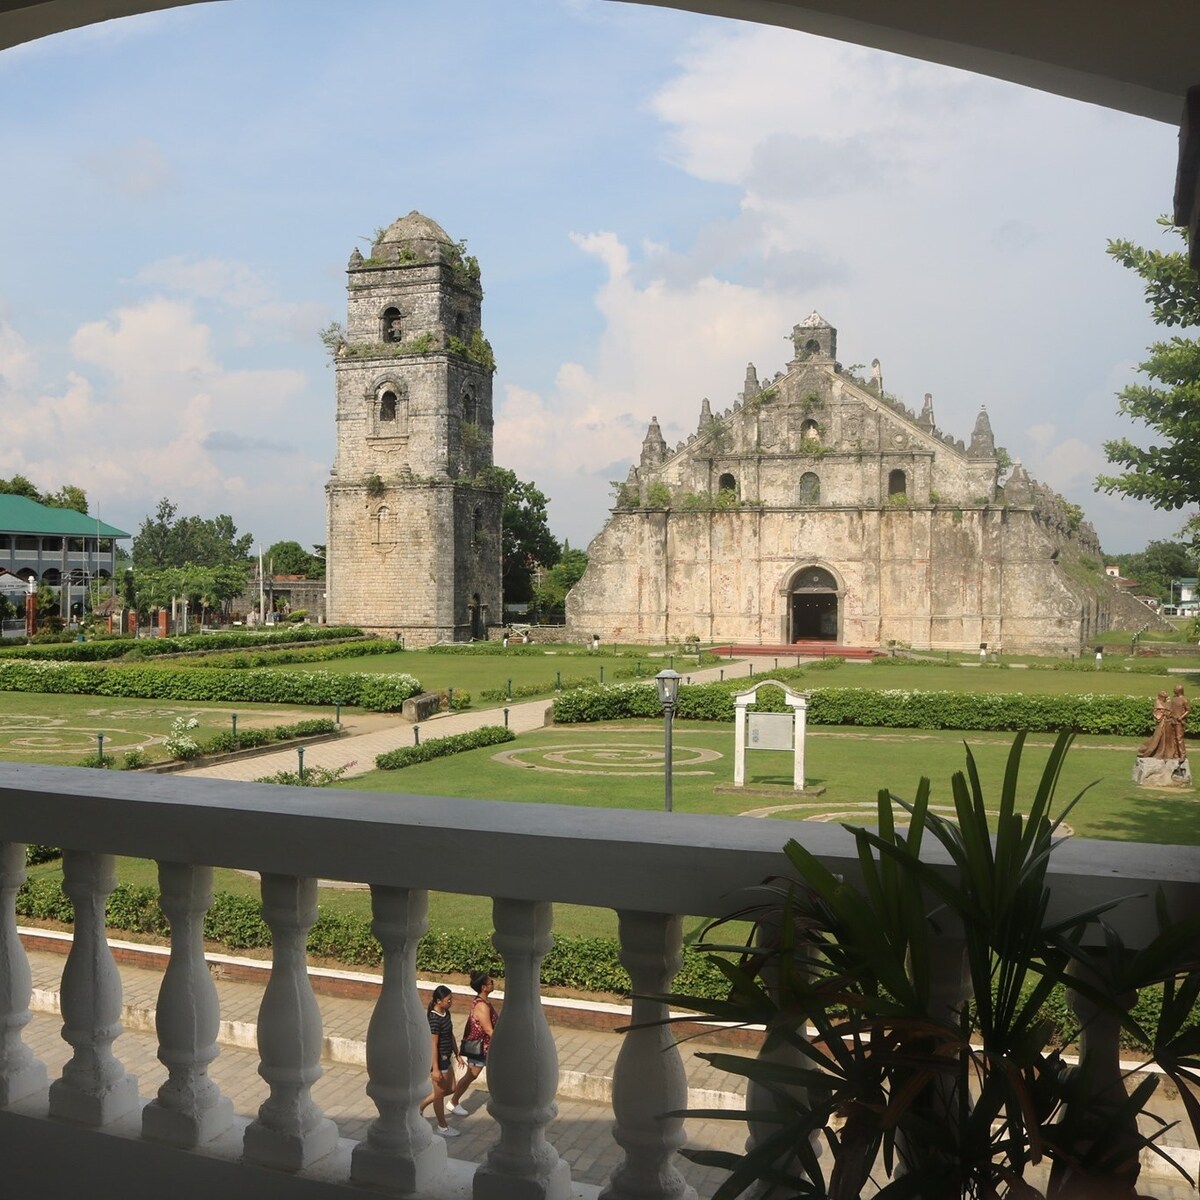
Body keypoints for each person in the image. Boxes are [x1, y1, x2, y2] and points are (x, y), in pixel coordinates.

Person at [450, 972, 499, 1112]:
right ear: (484, 987)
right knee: (471, 1075)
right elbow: (489, 1030)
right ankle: (453, 1102)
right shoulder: (482, 1006)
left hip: (486, 1047)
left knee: (477, 1074)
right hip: (482, 1048)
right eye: (491, 983)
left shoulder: (484, 1003)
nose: (493, 984)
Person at [419, 985, 463, 1136]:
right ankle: (442, 1126)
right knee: (439, 1094)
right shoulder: (434, 1019)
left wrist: (457, 1052)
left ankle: (421, 1105)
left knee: (451, 1088)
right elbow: (433, 1045)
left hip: (447, 1056)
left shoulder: (446, 1013)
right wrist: (435, 1069)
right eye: (448, 999)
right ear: (438, 1001)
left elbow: (450, 1034)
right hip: (438, 1060)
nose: (451, 1002)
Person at [1139, 691, 1172, 758]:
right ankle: (1149, 751)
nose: (1164, 698)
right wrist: (1162, 715)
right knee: (1157, 737)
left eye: (1165, 697)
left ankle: (1164, 752)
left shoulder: (1167, 703)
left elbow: (1169, 712)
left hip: (1167, 723)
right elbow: (1156, 714)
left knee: (1165, 738)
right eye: (1163, 697)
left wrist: (1167, 713)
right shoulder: (1157, 703)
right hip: (1161, 724)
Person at [1168, 684, 1191, 761]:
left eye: (1175, 689)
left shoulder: (1184, 699)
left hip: (1179, 722)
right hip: (1173, 720)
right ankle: (1176, 753)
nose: (1173, 690)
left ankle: (1182, 755)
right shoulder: (1174, 699)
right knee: (1173, 738)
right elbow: (1171, 709)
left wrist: (1181, 717)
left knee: (1179, 738)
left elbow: (1188, 710)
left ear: (1179, 690)